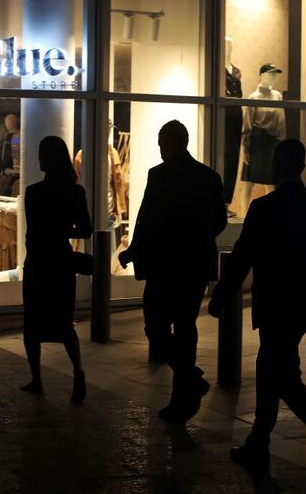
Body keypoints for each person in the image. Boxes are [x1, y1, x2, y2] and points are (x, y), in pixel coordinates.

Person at [209, 139, 306, 483]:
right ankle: (258, 442)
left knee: (284, 380)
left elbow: (241, 258)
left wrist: (221, 296)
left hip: (275, 306)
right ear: (302, 167)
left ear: (277, 166)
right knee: (270, 372)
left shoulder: (264, 208)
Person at [119, 120, 227, 424]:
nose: (158, 147)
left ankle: (188, 382)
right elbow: (218, 221)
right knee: (185, 326)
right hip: (195, 264)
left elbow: (146, 219)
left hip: (165, 265)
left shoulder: (160, 175)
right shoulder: (209, 177)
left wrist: (134, 251)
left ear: (170, 143)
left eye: (160, 141)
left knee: (155, 326)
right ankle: (184, 392)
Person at [21, 136, 93, 404]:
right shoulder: (75, 192)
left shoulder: (34, 192)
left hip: (38, 262)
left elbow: (33, 232)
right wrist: (65, 230)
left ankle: (37, 378)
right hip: (62, 262)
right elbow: (85, 228)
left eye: (41, 153)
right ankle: (78, 372)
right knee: (64, 322)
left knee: (32, 321)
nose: (39, 158)